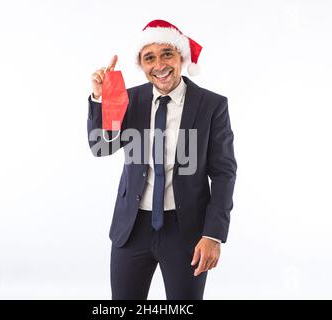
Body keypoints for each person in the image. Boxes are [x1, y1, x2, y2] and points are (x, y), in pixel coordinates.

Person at [87, 19, 237, 300]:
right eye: (149, 58)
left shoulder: (212, 105)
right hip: (131, 229)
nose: (159, 65)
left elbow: (223, 173)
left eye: (167, 54)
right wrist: (100, 98)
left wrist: (213, 234)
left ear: (181, 57)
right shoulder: (129, 99)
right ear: (141, 65)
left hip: (186, 231)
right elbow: (101, 148)